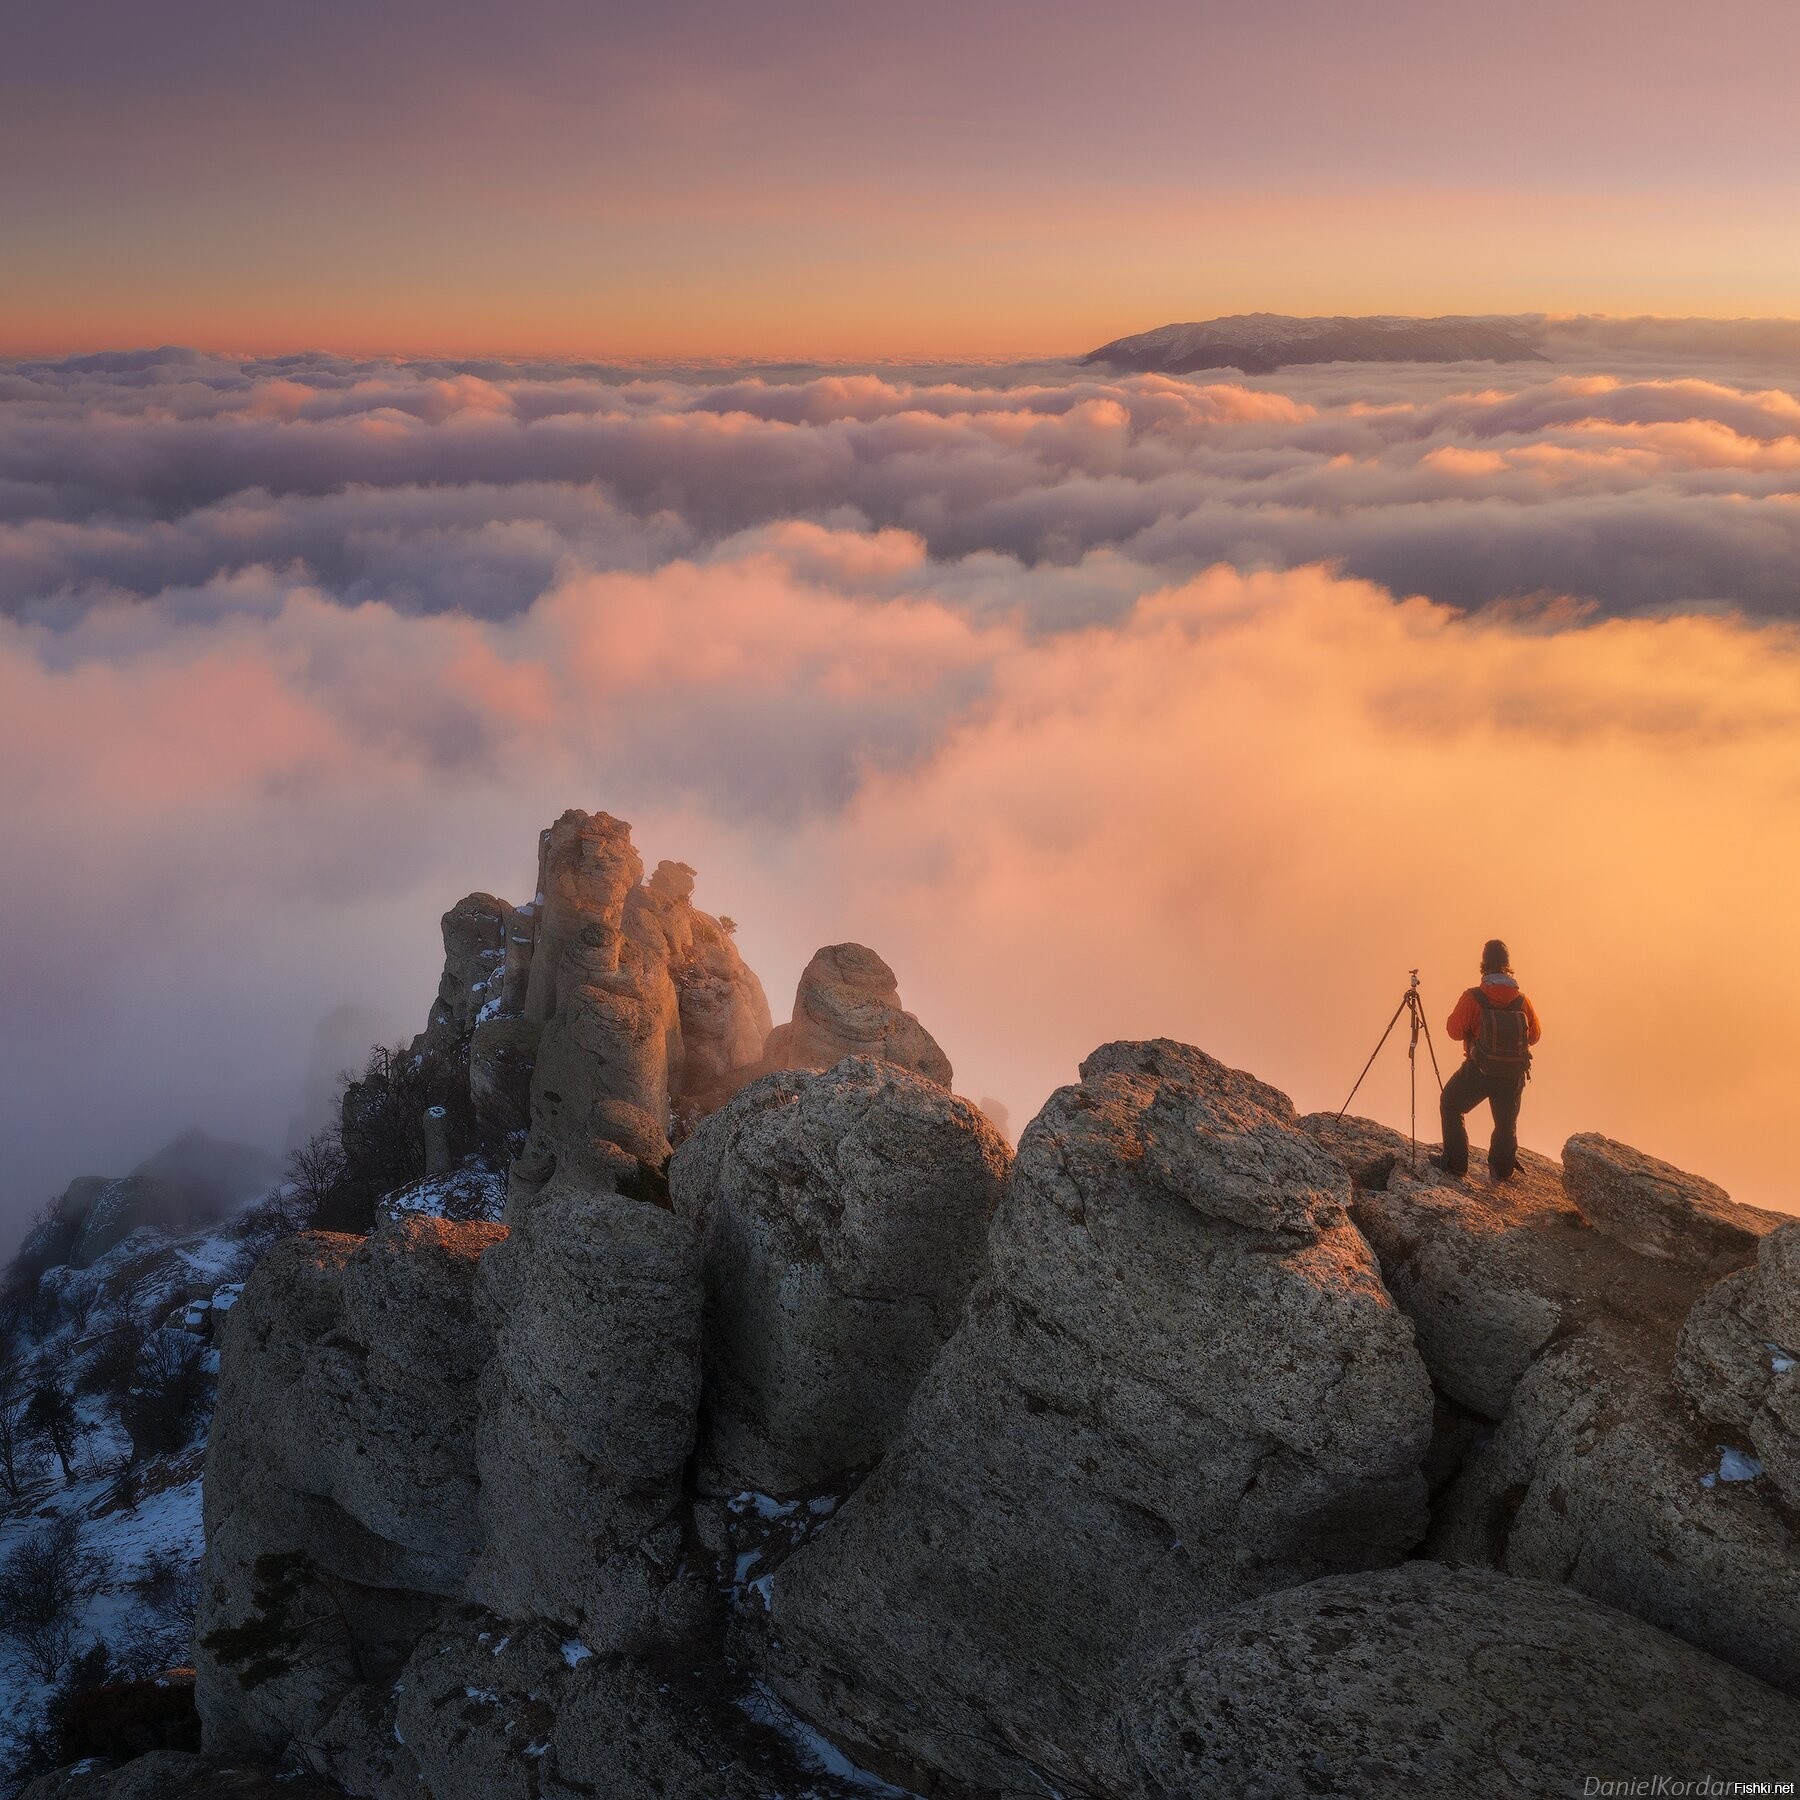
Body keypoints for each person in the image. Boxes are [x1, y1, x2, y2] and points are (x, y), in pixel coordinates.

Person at [1435, 939, 1541, 1180]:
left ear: (1484, 965)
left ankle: (1456, 1164)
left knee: (1450, 1104)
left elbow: (1454, 1031)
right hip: (1513, 1075)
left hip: (1480, 1071)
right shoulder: (1522, 1001)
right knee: (1506, 1122)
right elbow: (1534, 1036)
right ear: (1507, 966)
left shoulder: (1473, 997)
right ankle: (1502, 1170)